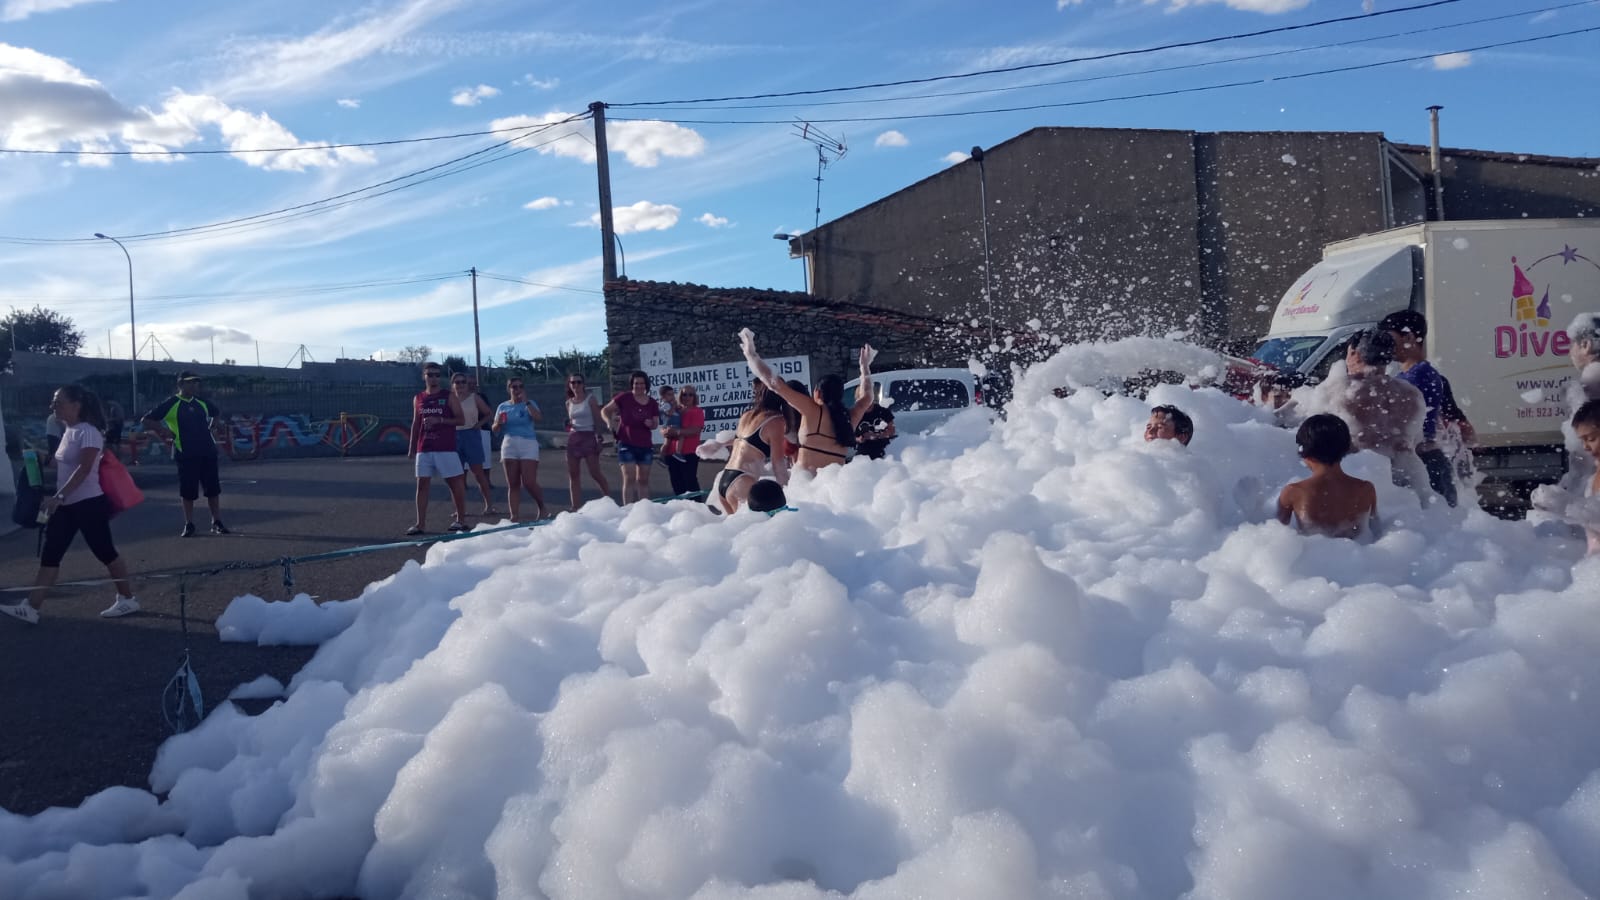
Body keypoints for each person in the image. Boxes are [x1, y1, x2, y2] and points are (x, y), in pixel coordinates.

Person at [1, 386, 138, 625]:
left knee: (105, 552)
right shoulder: (69, 430)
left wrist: (59, 496)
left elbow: (84, 469)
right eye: (54, 402)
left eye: (58, 402)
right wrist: (38, 456)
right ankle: (32, 607)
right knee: (51, 554)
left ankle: (127, 598)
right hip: (67, 505)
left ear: (77, 405)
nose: (53, 406)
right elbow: (60, 464)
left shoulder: (89, 432)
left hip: (88, 504)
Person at [740, 331, 874, 472]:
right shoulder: (849, 419)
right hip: (833, 484)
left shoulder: (813, 410)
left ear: (817, 393)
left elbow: (775, 384)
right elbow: (867, 398)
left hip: (807, 485)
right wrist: (865, 368)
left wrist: (752, 356)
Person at [1380, 311, 1473, 507]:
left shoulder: (1416, 377)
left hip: (1425, 462)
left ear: (1408, 337)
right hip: (1429, 461)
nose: (1386, 345)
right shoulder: (1419, 375)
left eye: (1390, 338)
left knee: (1433, 527)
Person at [1335, 331, 1429, 500]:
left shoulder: (1341, 392)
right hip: (1408, 480)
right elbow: (1417, 440)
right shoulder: (1411, 394)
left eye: (1348, 353)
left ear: (1355, 354)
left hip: (1361, 478)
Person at [143, 371, 228, 536]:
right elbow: (146, 420)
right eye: (189, 382)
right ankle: (189, 524)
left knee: (213, 489)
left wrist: (213, 426)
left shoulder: (201, 402)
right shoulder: (172, 403)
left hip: (208, 451)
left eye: (196, 382)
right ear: (180, 384)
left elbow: (216, 412)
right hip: (186, 453)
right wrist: (164, 431)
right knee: (188, 490)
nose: (194, 385)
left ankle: (216, 521)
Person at [1277, 413, 1380, 540]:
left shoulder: (1294, 492)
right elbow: (1377, 530)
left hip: (1314, 557)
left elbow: (1276, 534)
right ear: (1346, 448)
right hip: (1358, 557)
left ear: (1305, 454)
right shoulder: (1366, 489)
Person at [407, 362, 468, 535]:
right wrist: (412, 447)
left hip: (445, 448)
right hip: (424, 447)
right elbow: (415, 423)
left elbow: (460, 420)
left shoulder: (449, 396)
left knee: (454, 482)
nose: (433, 378)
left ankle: (461, 520)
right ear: (424, 377)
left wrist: (440, 420)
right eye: (430, 374)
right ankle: (420, 524)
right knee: (422, 485)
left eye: (436, 374)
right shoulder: (418, 398)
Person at [709, 385, 790, 515]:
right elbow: (778, 464)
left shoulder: (746, 415)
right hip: (742, 481)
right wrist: (789, 492)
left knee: (738, 532)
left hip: (725, 479)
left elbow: (740, 443)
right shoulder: (776, 421)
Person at [493, 376, 548, 521]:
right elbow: (495, 429)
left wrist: (527, 402)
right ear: (509, 389)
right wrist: (497, 423)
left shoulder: (529, 403)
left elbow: (538, 418)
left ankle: (542, 507)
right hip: (509, 443)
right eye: (514, 387)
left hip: (528, 443)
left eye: (520, 386)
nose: (517, 389)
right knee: (513, 483)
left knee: (529, 481)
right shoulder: (502, 406)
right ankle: (514, 515)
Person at [602, 370, 660, 503]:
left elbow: (656, 423)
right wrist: (609, 422)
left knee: (643, 480)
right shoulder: (624, 398)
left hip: (645, 445)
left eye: (641, 383)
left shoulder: (652, 403)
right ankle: (628, 511)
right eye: (636, 383)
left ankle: (644, 510)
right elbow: (605, 410)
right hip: (626, 443)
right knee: (629, 478)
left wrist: (651, 423)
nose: (639, 386)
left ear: (646, 385)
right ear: (632, 384)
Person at [451, 372, 498, 517]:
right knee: (456, 476)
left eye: (463, 382)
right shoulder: (449, 399)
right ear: (452, 385)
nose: (460, 385)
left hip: (471, 435)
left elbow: (488, 413)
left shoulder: (474, 398)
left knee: (478, 473)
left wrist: (479, 424)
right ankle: (459, 510)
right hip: (454, 436)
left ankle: (489, 506)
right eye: (457, 382)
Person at [564, 372, 612, 510]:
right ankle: (575, 506)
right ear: (569, 385)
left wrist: (599, 438)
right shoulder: (568, 402)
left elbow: (597, 419)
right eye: (573, 383)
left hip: (589, 436)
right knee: (573, 474)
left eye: (579, 382)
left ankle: (608, 499)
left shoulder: (590, 399)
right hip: (574, 437)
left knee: (594, 472)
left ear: (583, 384)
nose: (576, 385)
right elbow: (571, 421)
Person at [662, 383, 706, 495]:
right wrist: (665, 431)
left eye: (690, 395)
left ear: (694, 397)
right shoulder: (675, 410)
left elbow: (695, 430)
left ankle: (697, 508)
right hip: (671, 452)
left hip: (689, 453)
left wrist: (677, 432)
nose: (687, 397)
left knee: (690, 482)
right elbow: (664, 424)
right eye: (684, 394)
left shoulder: (697, 411)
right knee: (676, 483)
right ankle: (681, 509)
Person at [104, 399, 125, 463]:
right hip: (119, 425)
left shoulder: (113, 407)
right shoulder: (115, 405)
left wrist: (107, 420)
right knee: (116, 442)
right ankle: (117, 458)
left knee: (109, 442)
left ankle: (115, 457)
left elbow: (116, 418)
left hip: (116, 425)